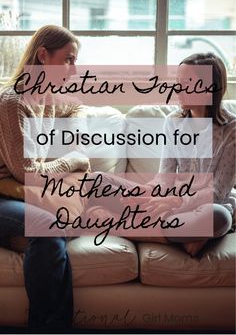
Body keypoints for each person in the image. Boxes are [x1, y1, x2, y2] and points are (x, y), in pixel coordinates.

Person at [85, 52, 236, 256]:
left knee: (217, 217)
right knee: (94, 181)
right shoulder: (173, 121)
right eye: (178, 82)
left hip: (204, 206)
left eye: (187, 83)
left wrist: (175, 202)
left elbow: (217, 193)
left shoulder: (232, 130)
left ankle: (114, 224)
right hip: (166, 201)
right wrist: (149, 194)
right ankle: (185, 237)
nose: (177, 89)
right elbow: (165, 178)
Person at [0, 25, 90, 332]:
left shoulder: (48, 96)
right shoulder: (13, 102)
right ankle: (46, 327)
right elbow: (26, 173)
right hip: (3, 195)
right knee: (50, 227)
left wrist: (74, 136)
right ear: (43, 56)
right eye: (68, 59)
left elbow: (77, 105)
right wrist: (75, 158)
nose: (74, 69)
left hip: (21, 194)